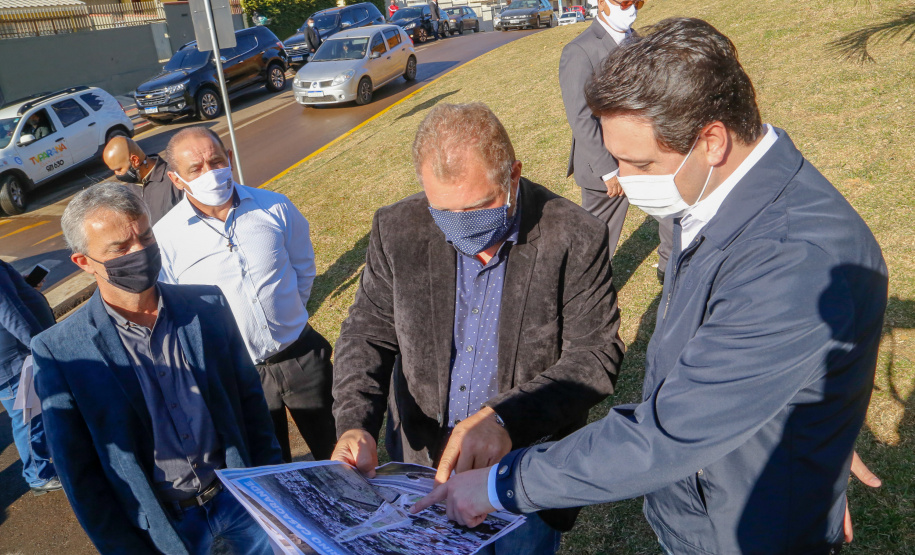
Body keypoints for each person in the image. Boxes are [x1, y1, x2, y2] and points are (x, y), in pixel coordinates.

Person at [413, 19, 889, 555]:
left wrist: (504, 485)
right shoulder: (726, 196)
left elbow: (665, 436)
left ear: (711, 140)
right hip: (706, 501)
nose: (621, 177)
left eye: (639, 163)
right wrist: (810, 428)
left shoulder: (792, 259)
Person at [331, 103, 623, 554]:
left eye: (481, 206)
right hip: (422, 465)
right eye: (445, 212)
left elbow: (595, 355)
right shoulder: (397, 228)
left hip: (519, 477)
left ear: (513, 175)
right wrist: (354, 423)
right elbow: (367, 333)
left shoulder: (575, 235)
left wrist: (504, 419)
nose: (464, 225)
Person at [32, 183, 282, 554]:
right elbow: (80, 476)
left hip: (242, 502)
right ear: (84, 262)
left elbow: (251, 405)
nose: (140, 251)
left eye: (145, 236)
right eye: (120, 248)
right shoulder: (59, 351)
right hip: (165, 532)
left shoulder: (207, 304)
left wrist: (273, 489)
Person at [155, 126, 336, 463]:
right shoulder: (165, 239)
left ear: (230, 159)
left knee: (337, 449)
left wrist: (286, 316)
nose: (210, 173)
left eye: (216, 161)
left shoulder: (275, 207)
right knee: (270, 469)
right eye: (196, 169)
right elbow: (175, 312)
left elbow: (303, 268)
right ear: (177, 180)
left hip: (302, 357)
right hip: (238, 377)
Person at [559, 0, 672, 282]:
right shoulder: (579, 51)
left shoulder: (640, 42)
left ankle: (669, 271)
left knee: (673, 215)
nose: (631, 8)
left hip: (645, 156)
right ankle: (584, 291)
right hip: (606, 166)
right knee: (596, 241)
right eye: (624, 2)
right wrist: (608, 170)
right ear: (602, 4)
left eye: (637, 2)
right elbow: (581, 117)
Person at [0, 260, 61, 496]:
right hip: (14, 360)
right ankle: (38, 476)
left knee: (31, 415)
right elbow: (10, 313)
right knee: (28, 418)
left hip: (11, 357)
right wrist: (39, 344)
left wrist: (20, 286)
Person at [103, 136, 183, 225]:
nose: (117, 174)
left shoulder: (175, 180)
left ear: (135, 160)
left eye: (119, 169)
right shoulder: (130, 191)